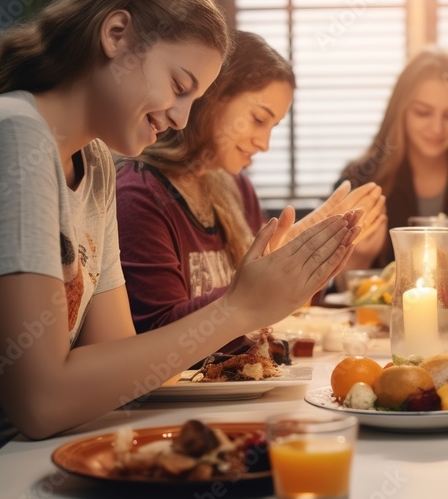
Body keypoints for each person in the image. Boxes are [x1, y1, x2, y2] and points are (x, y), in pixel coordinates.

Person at [0, 0, 359, 497]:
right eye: (179, 85)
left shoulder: (95, 165)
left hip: (16, 457)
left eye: (194, 100)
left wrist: (254, 304)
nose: (181, 117)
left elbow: (116, 366)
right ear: (116, 34)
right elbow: (42, 402)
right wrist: (239, 309)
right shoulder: (14, 139)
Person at [116, 30, 386, 333]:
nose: (264, 143)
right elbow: (159, 337)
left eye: (273, 126)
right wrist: (266, 282)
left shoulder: (236, 189)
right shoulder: (139, 195)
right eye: (259, 119)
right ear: (212, 96)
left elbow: (267, 321)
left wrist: (296, 256)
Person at [339, 46, 448, 279]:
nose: (437, 128)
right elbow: (337, 301)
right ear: (401, 111)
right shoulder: (361, 181)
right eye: (423, 112)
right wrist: (359, 257)